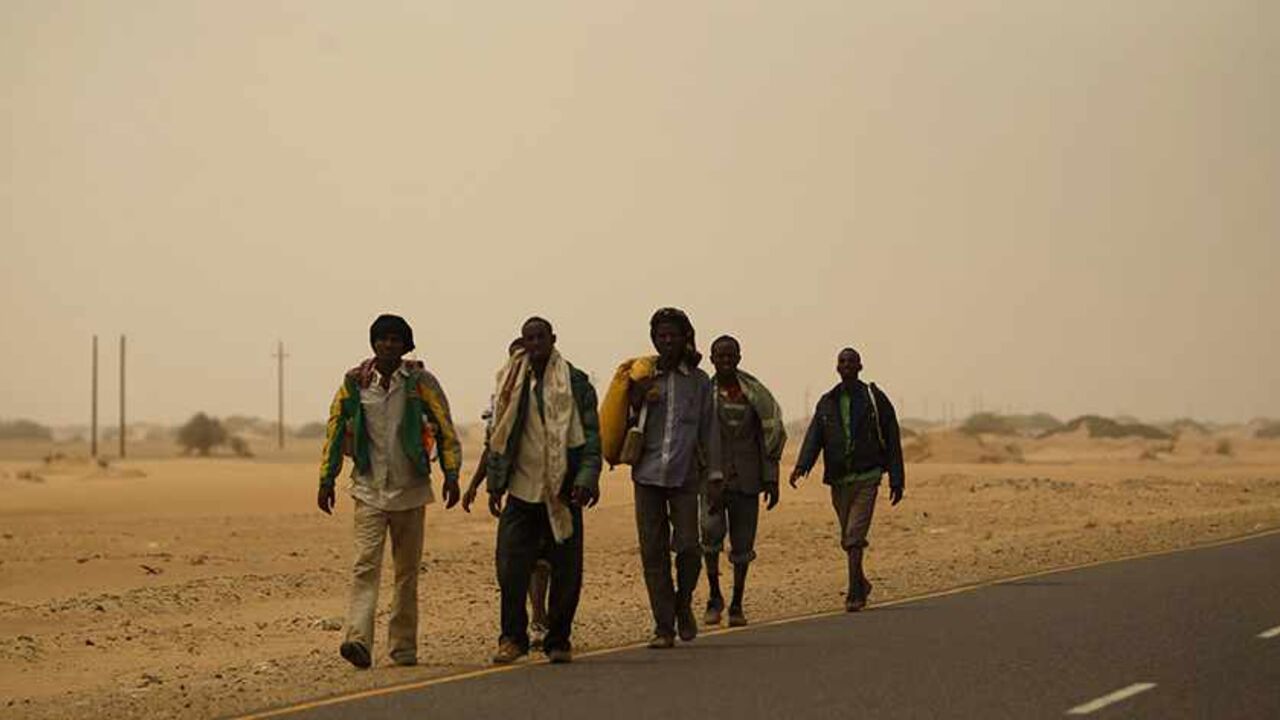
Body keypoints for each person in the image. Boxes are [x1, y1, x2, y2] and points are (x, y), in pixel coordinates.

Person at [317, 314, 462, 669]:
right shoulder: (355, 383)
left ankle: (403, 648)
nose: (388, 345)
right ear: (373, 343)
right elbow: (336, 428)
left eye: (395, 340)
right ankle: (357, 639)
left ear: (405, 345)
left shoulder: (420, 382)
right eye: (382, 339)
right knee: (364, 567)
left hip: (410, 491)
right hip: (368, 490)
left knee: (406, 572)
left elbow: (444, 425)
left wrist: (452, 473)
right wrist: (327, 478)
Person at [485, 317, 602, 664]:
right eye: (529, 338)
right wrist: (494, 484)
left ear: (552, 339)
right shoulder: (510, 381)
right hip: (521, 491)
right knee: (510, 568)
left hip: (562, 490)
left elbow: (592, 438)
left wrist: (586, 478)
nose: (534, 343)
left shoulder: (575, 382)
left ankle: (558, 639)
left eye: (540, 337)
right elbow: (498, 436)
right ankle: (513, 638)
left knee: (566, 571)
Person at [628, 307, 721, 649]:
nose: (667, 342)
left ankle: (683, 604)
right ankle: (663, 625)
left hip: (685, 477)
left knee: (688, 548)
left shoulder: (698, 382)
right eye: (661, 336)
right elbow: (625, 421)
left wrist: (714, 474)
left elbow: (709, 429)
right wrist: (637, 396)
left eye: (673, 336)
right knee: (652, 554)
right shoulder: (642, 375)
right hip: (646, 477)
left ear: (685, 339)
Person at [790, 347, 904, 612]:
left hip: (868, 476)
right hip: (839, 480)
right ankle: (861, 581)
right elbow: (814, 437)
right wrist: (801, 466)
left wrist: (897, 478)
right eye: (843, 361)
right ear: (837, 367)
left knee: (854, 535)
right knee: (848, 538)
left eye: (852, 361)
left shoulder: (874, 398)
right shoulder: (827, 401)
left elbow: (893, 438)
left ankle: (855, 593)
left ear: (860, 366)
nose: (847, 365)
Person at [462, 337, 552, 649]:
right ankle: (520, 627)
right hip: (517, 491)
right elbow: (494, 446)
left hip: (549, 490)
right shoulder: (502, 398)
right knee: (515, 562)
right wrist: (478, 485)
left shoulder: (555, 392)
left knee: (542, 561)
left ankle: (541, 618)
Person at [701, 335, 786, 627]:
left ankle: (737, 602)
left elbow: (768, 439)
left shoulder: (756, 395)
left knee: (742, 546)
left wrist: (771, 480)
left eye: (730, 356)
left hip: (747, 483)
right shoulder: (702, 396)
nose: (725, 361)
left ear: (738, 358)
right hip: (711, 483)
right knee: (710, 537)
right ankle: (714, 596)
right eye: (719, 356)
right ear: (711, 359)